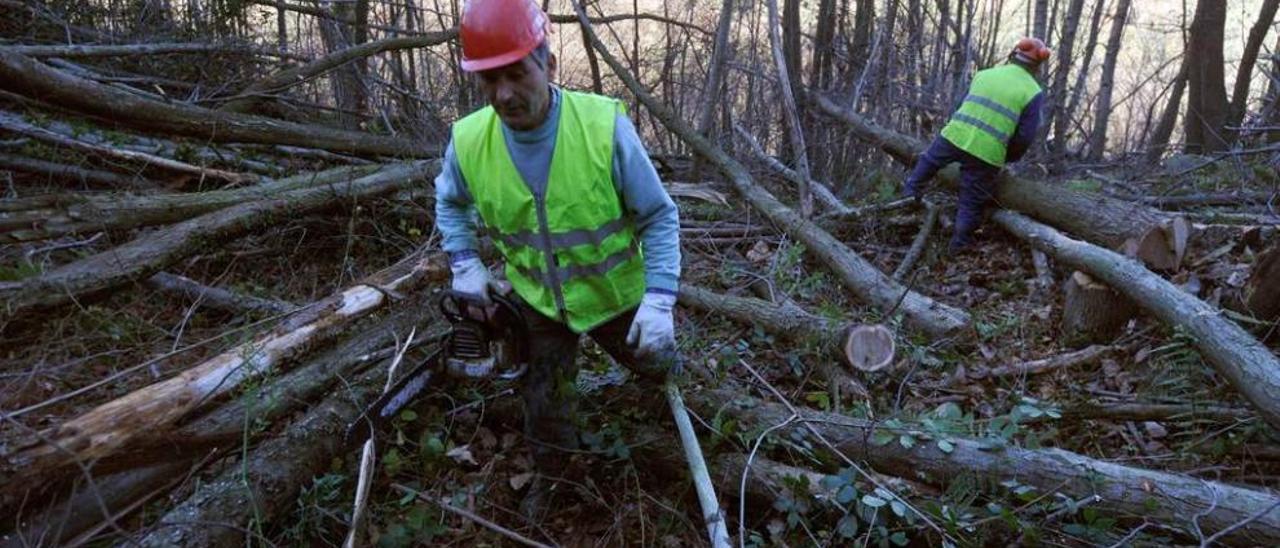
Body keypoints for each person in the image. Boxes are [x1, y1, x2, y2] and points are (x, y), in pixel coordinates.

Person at [433, 0, 683, 519]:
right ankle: (560, 484)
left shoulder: (602, 128)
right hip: (539, 302)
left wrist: (660, 300)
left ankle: (694, 440)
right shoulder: (469, 141)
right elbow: (449, 203)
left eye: (516, 74)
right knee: (544, 406)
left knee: (666, 376)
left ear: (547, 64)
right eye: (489, 80)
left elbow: (659, 216)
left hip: (619, 299)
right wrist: (465, 263)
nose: (504, 94)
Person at [903, 37, 1050, 253]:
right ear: (1037, 66)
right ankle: (958, 246)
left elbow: (961, 104)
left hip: (956, 134)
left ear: (1013, 55)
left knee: (929, 162)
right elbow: (1025, 137)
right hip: (987, 151)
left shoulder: (985, 74)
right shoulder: (1033, 92)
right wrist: (1008, 156)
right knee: (971, 200)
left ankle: (907, 198)